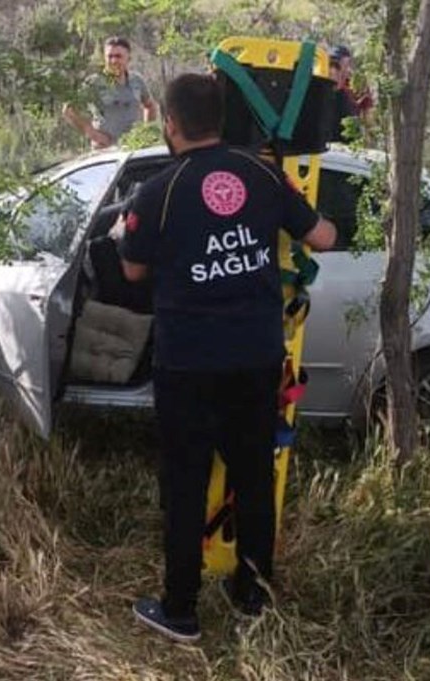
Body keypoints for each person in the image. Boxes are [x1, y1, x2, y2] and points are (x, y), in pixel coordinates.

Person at [118, 73, 336, 642]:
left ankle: (181, 610)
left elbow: (133, 270)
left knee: (186, 484)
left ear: (169, 124)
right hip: (256, 356)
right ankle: (252, 597)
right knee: (254, 479)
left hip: (187, 364)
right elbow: (325, 238)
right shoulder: (263, 174)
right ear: (219, 119)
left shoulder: (157, 192)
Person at [62, 36, 157, 149]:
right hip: (105, 151)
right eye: (110, 56)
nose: (114, 61)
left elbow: (150, 106)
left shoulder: (136, 80)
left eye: (118, 56)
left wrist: (146, 132)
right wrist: (92, 134)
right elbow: (69, 110)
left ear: (128, 58)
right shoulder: (95, 82)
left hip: (133, 147)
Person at [327, 49, 360, 143]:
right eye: (331, 65)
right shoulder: (315, 92)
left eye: (338, 67)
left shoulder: (346, 98)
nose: (333, 71)